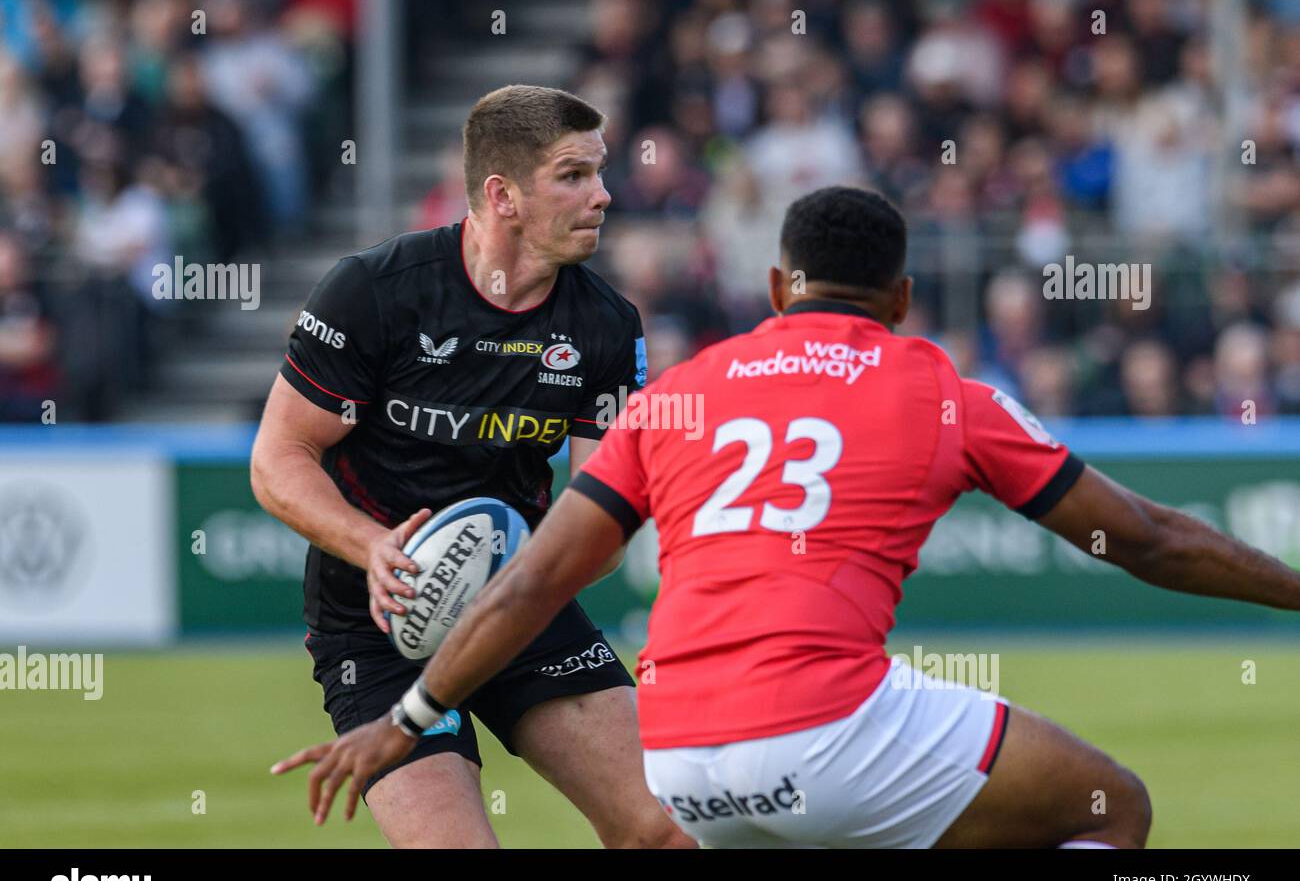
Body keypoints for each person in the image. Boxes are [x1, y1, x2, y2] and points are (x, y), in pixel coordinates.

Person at [273, 186, 1300, 847]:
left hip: (678, 756)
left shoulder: (683, 389)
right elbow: (1149, 539)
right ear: (900, 296)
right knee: (1110, 805)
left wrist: (405, 719)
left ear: (774, 287)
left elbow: (534, 579)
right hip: (828, 727)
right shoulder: (941, 388)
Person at [252, 84, 693, 849]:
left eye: (600, 172)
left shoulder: (606, 326)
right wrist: (373, 547)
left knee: (666, 828)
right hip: (378, 621)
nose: (604, 195)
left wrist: (530, 579)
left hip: (523, 600)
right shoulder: (375, 292)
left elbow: (605, 508)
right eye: (574, 175)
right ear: (503, 195)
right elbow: (279, 459)